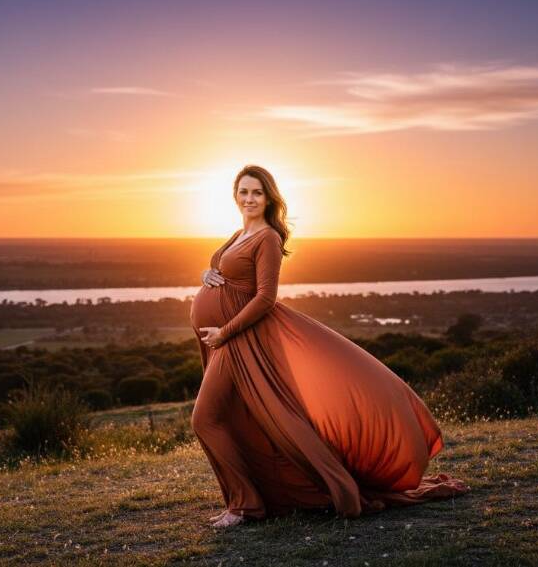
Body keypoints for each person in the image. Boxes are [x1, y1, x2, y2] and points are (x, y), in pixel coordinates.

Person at [189, 165, 469, 528]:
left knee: (205, 418)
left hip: (240, 342)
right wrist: (206, 274)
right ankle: (247, 501)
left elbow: (266, 298)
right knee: (235, 418)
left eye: (257, 192)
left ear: (269, 198)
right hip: (226, 340)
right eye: (243, 191)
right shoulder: (239, 234)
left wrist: (225, 332)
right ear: (234, 195)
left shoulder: (267, 238)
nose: (249, 198)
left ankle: (244, 507)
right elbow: (222, 270)